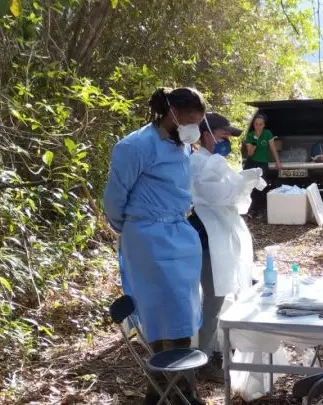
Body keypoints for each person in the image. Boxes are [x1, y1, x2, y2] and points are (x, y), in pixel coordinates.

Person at [103, 87, 206, 405]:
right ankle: (164, 389)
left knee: (185, 313)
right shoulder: (135, 146)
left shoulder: (183, 147)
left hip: (180, 236)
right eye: (191, 122)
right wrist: (133, 228)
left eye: (199, 124)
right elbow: (114, 198)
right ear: (172, 114)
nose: (195, 130)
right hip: (148, 238)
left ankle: (180, 387)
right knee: (161, 312)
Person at [187, 113, 263, 381]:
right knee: (213, 297)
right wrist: (244, 183)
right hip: (207, 234)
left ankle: (213, 350)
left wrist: (243, 182)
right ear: (205, 133)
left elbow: (232, 197)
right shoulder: (198, 162)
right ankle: (202, 360)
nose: (227, 142)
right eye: (223, 136)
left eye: (230, 138)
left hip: (219, 231)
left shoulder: (212, 161)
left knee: (220, 295)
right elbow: (219, 195)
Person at [243, 113, 281, 216]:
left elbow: (273, 149)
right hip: (251, 162)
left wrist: (278, 162)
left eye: (260, 124)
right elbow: (250, 153)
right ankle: (248, 208)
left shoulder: (267, 133)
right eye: (256, 124)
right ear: (254, 125)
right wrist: (255, 139)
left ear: (264, 125)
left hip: (263, 163)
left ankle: (257, 210)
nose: (258, 126)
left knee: (260, 186)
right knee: (249, 185)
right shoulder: (250, 135)